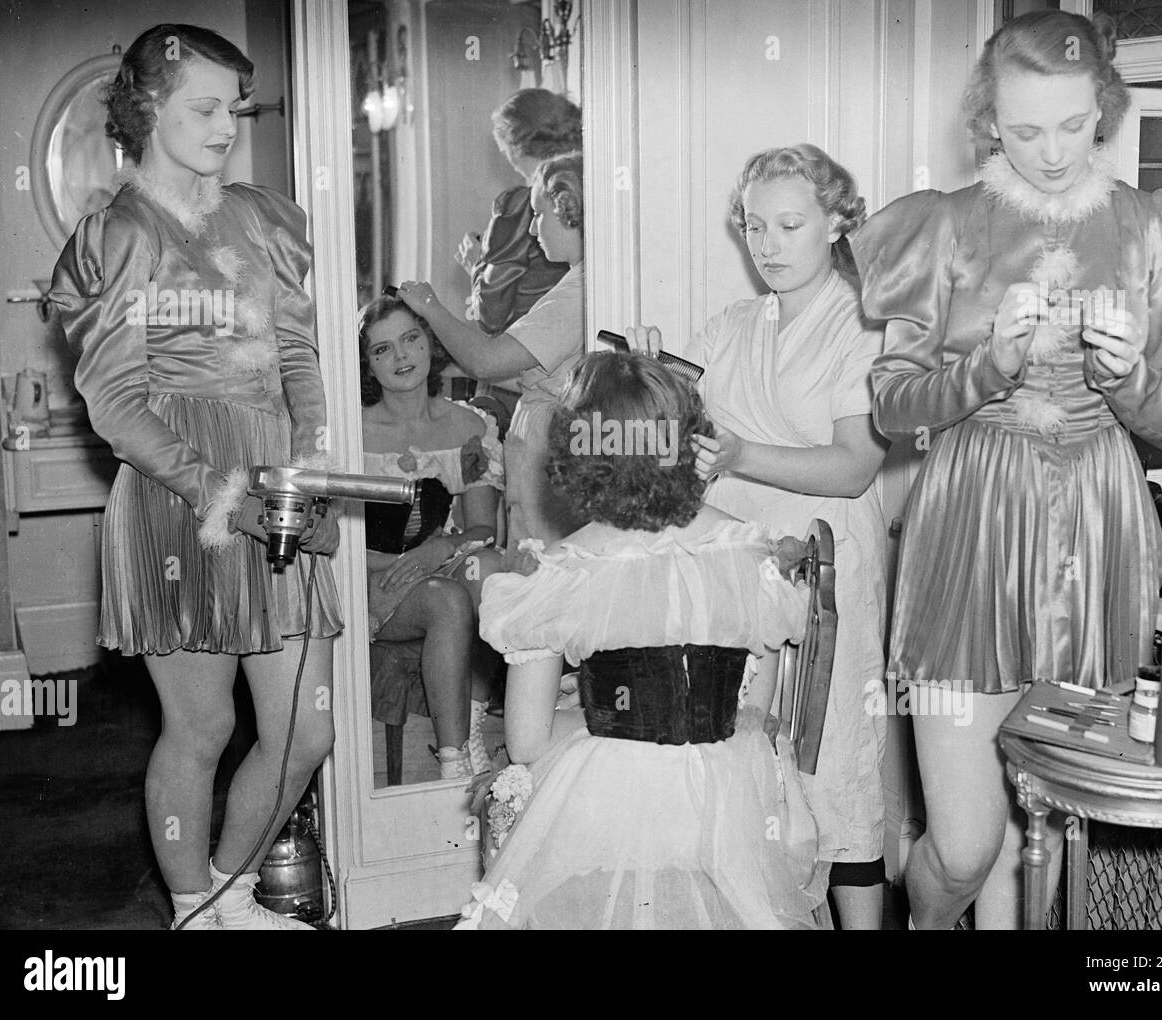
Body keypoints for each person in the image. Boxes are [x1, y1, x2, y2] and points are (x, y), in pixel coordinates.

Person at [849, 9, 1162, 929]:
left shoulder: (1155, 231)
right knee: (963, 846)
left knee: (1045, 838)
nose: (1055, 151)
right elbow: (891, 405)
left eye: (1074, 124)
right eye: (1026, 130)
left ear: (1104, 106)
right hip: (969, 536)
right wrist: (985, 366)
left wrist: (1129, 377)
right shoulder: (944, 230)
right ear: (989, 120)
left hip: (1098, 538)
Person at [48, 24, 343, 929]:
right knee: (204, 728)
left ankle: (229, 889)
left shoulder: (264, 215)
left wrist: (311, 461)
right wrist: (228, 496)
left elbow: (297, 351)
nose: (225, 126)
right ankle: (191, 909)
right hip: (184, 497)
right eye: (204, 108)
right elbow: (115, 404)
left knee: (307, 729)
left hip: (272, 475)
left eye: (234, 108)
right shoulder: (121, 234)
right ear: (148, 111)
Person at [455, 352, 826, 929]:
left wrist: (602, 716)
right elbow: (752, 710)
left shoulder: (564, 569)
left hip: (608, 810)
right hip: (728, 810)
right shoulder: (751, 552)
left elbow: (527, 740)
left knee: (522, 796)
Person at [628, 144, 890, 929]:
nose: (767, 244)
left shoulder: (869, 326)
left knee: (833, 772)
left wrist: (739, 453)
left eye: (788, 224)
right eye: (753, 226)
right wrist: (639, 388)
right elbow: (669, 441)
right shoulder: (729, 326)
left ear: (838, 221)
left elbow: (852, 467)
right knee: (746, 773)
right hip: (736, 582)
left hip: (826, 574)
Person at [397, 152, 585, 548]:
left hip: (551, 463)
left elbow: (487, 358)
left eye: (539, 214)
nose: (533, 229)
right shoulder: (575, 284)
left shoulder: (579, 293)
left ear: (569, 212)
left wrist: (430, 306)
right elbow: (520, 369)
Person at [358, 295, 505, 779]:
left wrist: (437, 548)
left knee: (489, 572)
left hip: (435, 565)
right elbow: (334, 541)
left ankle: (472, 724)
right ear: (367, 364)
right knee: (446, 601)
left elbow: (484, 529)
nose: (401, 358)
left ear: (429, 343)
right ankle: (453, 762)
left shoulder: (469, 427)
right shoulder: (350, 433)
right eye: (382, 350)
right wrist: (400, 566)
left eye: (410, 339)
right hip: (367, 577)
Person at [456, 88, 581, 334]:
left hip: (535, 347)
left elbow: (490, 317)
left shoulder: (517, 208)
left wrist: (477, 264)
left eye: (504, 150)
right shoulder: (586, 183)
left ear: (516, 147)